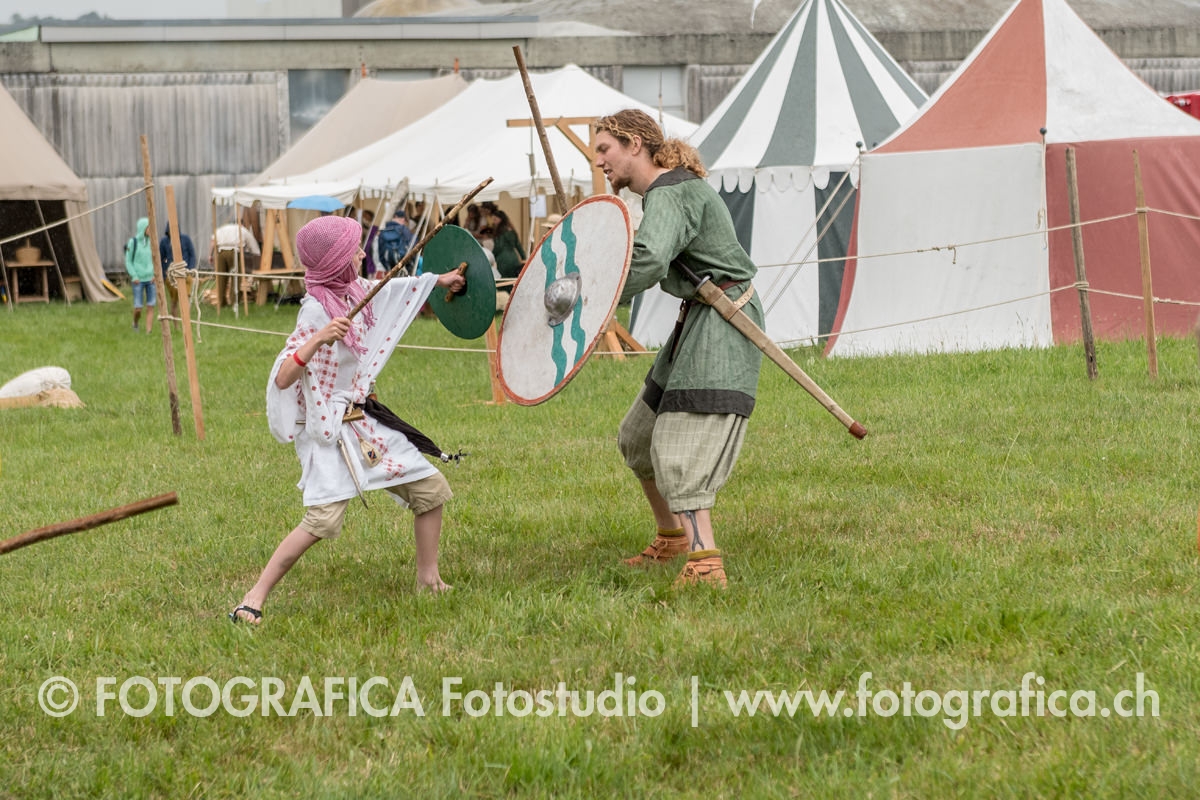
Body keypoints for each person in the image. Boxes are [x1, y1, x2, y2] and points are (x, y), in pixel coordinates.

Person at [230, 214, 466, 625]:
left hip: (363, 422)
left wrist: (436, 281)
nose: (361, 254)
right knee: (321, 520)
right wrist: (319, 338)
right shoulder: (314, 312)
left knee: (430, 490)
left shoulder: (352, 291)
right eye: (353, 250)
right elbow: (284, 375)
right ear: (336, 263)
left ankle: (429, 580)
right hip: (328, 432)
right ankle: (254, 596)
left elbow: (384, 290)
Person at [592, 109, 765, 589]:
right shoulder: (667, 191)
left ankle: (705, 563)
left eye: (605, 149)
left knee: (677, 446)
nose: (600, 161)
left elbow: (647, 259)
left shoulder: (671, 191)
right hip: (701, 315)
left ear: (634, 143)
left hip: (725, 318)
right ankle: (672, 538)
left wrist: (593, 300)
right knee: (638, 437)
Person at [209, 221, 261, 310]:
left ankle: (221, 302)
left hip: (221, 253)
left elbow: (213, 242)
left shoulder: (221, 229)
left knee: (221, 278)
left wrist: (210, 255)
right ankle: (233, 301)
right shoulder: (242, 230)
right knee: (236, 278)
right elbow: (253, 245)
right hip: (235, 253)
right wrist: (257, 255)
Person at [158, 223, 197, 320]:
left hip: (185, 272)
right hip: (171, 275)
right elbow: (161, 259)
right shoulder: (164, 242)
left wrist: (190, 269)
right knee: (174, 300)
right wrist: (164, 273)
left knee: (185, 297)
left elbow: (192, 255)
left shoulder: (185, 239)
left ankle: (186, 321)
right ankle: (176, 325)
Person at [124, 217, 156, 332]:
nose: (150, 230)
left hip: (151, 279)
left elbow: (156, 259)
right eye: (148, 228)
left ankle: (148, 331)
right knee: (138, 308)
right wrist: (134, 275)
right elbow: (128, 261)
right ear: (143, 228)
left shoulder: (152, 242)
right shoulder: (133, 242)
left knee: (150, 305)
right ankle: (135, 323)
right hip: (138, 280)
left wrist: (155, 274)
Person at [372, 208, 415, 277]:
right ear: (403, 220)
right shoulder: (406, 232)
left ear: (394, 217)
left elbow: (375, 253)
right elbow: (413, 252)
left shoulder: (381, 233)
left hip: (383, 271)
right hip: (402, 272)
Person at [489, 208, 526, 279]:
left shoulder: (499, 232)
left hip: (503, 260)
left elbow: (498, 247)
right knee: (513, 280)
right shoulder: (511, 230)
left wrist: (491, 256)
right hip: (514, 259)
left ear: (500, 219)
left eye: (495, 219)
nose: (494, 222)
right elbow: (519, 246)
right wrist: (524, 258)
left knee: (504, 281)